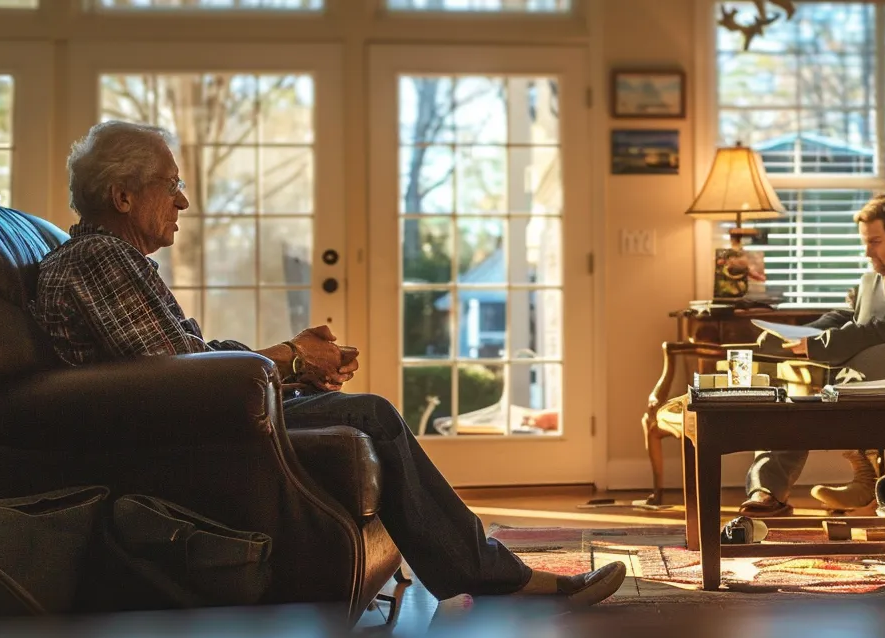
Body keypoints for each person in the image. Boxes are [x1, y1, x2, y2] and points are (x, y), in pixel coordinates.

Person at [33, 120, 624, 607]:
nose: (183, 198)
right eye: (171, 183)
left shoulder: (109, 260)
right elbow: (179, 380)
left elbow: (186, 365)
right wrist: (290, 358)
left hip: (198, 423)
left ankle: (485, 573)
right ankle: (494, 577)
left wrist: (294, 365)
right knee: (371, 414)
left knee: (368, 414)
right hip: (182, 440)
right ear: (123, 195)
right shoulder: (100, 260)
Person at [737, 194, 885, 516]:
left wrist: (824, 345)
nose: (867, 251)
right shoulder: (869, 283)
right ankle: (768, 490)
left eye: (875, 241)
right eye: (865, 242)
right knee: (795, 392)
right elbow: (845, 317)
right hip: (865, 388)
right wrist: (801, 336)